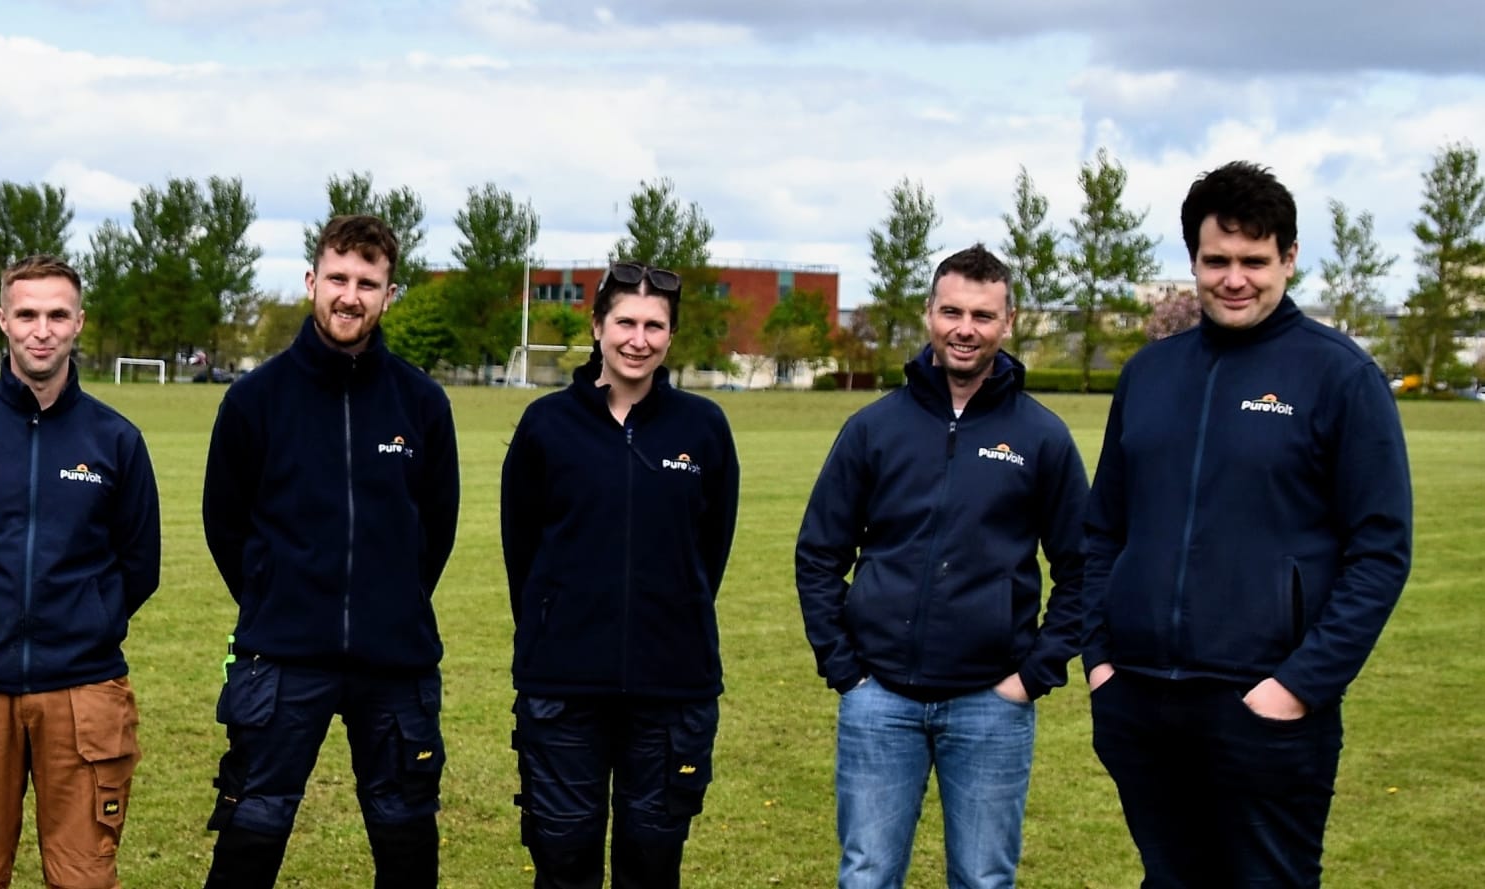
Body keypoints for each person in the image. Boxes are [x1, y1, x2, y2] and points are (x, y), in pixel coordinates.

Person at [1083, 161, 1413, 887]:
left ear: (1287, 258)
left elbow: (1380, 551)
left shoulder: (1338, 376)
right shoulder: (1148, 374)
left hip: (1264, 708)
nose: (1234, 278)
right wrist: (1102, 664)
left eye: (1253, 261)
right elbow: (1101, 531)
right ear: (1192, 262)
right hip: (1139, 700)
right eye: (1216, 260)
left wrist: (1295, 685)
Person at [794, 245, 1089, 889]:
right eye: (951, 311)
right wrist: (844, 669)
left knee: (984, 879)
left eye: (982, 315)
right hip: (879, 700)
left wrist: (1032, 675)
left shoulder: (1042, 436)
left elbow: (1084, 567)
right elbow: (820, 551)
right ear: (928, 313)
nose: (965, 328)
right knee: (867, 874)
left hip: (992, 703)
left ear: (1007, 322)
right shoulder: (873, 428)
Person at [199, 214, 459, 889]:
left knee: (406, 841)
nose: (350, 294)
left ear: (388, 293)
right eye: (338, 278)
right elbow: (224, 521)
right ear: (312, 281)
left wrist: (389, 598)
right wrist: (273, 592)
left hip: (393, 662)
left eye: (367, 282)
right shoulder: (255, 399)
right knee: (250, 833)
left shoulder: (421, 403)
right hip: (281, 658)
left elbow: (436, 528)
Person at [0, 254, 160, 889]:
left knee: (83, 878)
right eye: (26, 314)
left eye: (56, 315)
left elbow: (140, 564)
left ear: (78, 323)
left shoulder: (116, 440)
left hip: (82, 692)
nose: (41, 330)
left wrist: (88, 623)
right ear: (2, 321)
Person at [500, 262, 738, 888]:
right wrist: (560, 624)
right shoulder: (547, 426)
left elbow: (709, 552)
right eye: (626, 322)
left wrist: (669, 615)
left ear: (671, 335)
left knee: (651, 864)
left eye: (654, 326)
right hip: (564, 690)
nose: (639, 339)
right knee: (563, 861)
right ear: (598, 326)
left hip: (672, 689)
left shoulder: (703, 428)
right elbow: (521, 551)